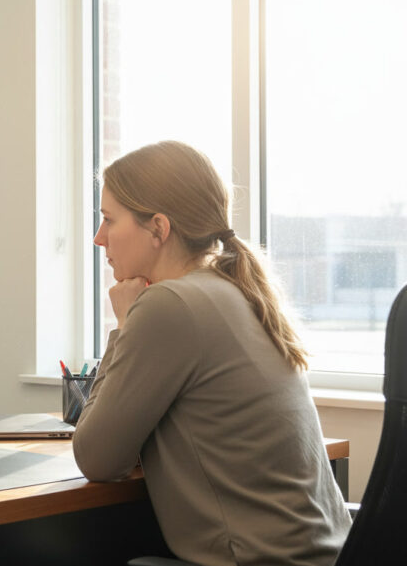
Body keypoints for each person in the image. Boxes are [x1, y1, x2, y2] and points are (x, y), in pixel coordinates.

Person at [72, 141, 351, 566]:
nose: (98, 238)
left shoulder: (169, 305)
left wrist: (124, 326)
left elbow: (96, 459)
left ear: (158, 229)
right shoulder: (234, 290)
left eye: (109, 220)